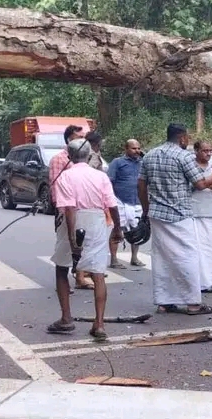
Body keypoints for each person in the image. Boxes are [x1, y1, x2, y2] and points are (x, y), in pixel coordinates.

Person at [138, 123, 212, 315]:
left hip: (157, 214)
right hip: (180, 214)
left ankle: (164, 301)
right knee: (188, 257)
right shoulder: (184, 156)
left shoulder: (150, 154)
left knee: (162, 258)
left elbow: (141, 185)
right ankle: (193, 302)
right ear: (182, 138)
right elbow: (201, 184)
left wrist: (146, 210)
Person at [46, 138, 123, 340]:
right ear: (89, 156)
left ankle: (66, 318)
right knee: (98, 273)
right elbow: (112, 205)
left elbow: (70, 208)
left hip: (74, 220)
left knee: (62, 268)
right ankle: (99, 324)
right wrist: (118, 228)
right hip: (96, 220)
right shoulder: (100, 176)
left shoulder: (65, 176)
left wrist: (72, 239)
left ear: (69, 156)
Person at [48, 124, 95, 290]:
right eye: (78, 138)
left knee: (84, 244)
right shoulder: (59, 159)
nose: (82, 141)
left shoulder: (88, 158)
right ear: (69, 140)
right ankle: (63, 281)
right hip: (66, 210)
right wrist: (61, 212)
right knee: (65, 246)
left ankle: (80, 277)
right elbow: (55, 189)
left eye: (83, 138)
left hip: (85, 210)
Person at [191, 140, 212, 293]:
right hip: (194, 213)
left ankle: (211, 282)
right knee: (196, 250)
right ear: (196, 150)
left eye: (210, 151)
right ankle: (197, 282)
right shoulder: (190, 167)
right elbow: (193, 187)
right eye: (205, 151)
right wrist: (207, 182)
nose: (209, 154)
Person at [107, 139, 145, 268]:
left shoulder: (142, 163)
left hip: (137, 201)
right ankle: (114, 260)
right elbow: (109, 181)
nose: (137, 151)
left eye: (138, 148)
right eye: (134, 148)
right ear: (126, 149)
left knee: (137, 230)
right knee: (118, 229)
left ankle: (134, 258)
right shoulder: (118, 162)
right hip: (120, 200)